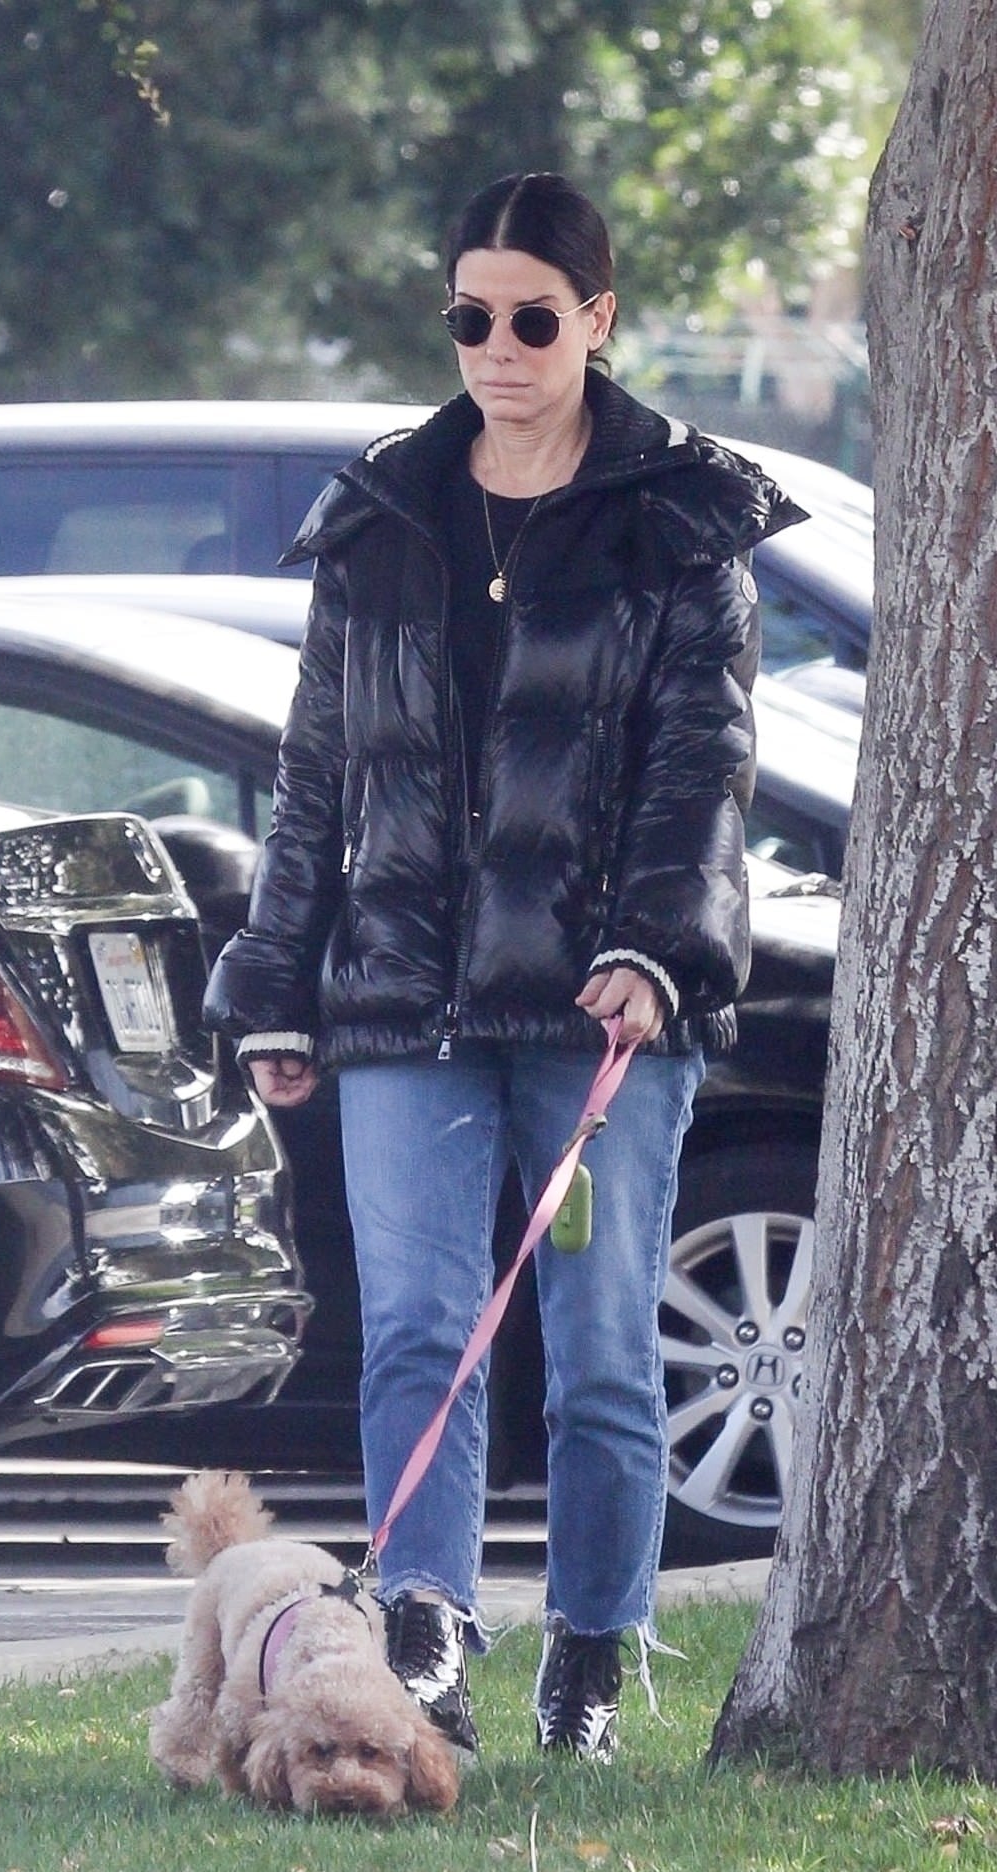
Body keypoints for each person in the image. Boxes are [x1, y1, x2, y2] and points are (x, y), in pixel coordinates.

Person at [204, 171, 804, 1761]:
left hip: (607, 1007)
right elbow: (316, 777)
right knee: (416, 1329)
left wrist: (661, 952)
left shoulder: (680, 520)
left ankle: (594, 1658)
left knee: (602, 1351)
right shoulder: (384, 516)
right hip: (403, 993)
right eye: (470, 315)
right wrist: (276, 983)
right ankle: (428, 1635)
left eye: (533, 317)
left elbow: (706, 763)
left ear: (599, 320)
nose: (498, 347)